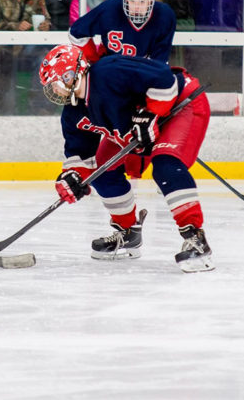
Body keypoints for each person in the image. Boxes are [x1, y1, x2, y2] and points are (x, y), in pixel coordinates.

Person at [38, 44, 214, 272]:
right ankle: (129, 232)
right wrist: (72, 177)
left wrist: (151, 113)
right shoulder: (73, 113)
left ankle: (196, 238)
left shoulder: (108, 70)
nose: (54, 89)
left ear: (71, 74)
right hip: (134, 125)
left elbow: (164, 78)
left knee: (165, 166)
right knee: (100, 172)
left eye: (55, 82)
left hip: (179, 106)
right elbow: (80, 156)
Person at [68, 0, 176, 63]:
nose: (137, 6)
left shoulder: (164, 15)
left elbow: (159, 63)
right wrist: (94, 60)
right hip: (110, 69)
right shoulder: (109, 9)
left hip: (143, 72)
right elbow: (76, 33)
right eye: (132, 0)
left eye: (142, 1)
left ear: (151, 1)